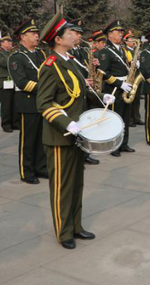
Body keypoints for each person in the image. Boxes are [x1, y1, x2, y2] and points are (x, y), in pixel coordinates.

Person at [36, 13, 113, 249]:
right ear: (58, 39)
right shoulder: (50, 66)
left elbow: (81, 92)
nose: (76, 36)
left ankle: (76, 226)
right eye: (71, 33)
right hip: (60, 136)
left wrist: (102, 98)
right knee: (62, 185)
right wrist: (65, 122)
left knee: (76, 183)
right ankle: (64, 231)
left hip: (79, 133)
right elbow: (44, 103)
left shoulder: (71, 61)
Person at [9, 19, 48, 183]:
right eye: (33, 33)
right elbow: (22, 82)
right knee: (28, 140)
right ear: (22, 37)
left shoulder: (41, 54)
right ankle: (27, 172)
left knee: (41, 138)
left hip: (42, 103)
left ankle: (40, 167)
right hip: (27, 103)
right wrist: (46, 88)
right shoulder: (16, 57)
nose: (37, 36)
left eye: (37, 33)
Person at [96, 20, 135, 156]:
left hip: (125, 87)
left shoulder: (122, 50)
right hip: (114, 89)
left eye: (121, 32)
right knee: (115, 118)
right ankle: (114, 146)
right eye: (118, 32)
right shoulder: (105, 52)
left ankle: (124, 143)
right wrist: (120, 84)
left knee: (125, 116)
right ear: (109, 34)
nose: (121, 34)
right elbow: (103, 72)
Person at [0, 34, 17, 133]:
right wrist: (13, 56)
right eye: (7, 41)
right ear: (2, 43)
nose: (10, 43)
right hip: (4, 81)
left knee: (14, 103)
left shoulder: (12, 52)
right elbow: (5, 63)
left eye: (10, 41)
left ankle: (14, 123)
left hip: (13, 81)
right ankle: (6, 124)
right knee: (6, 104)